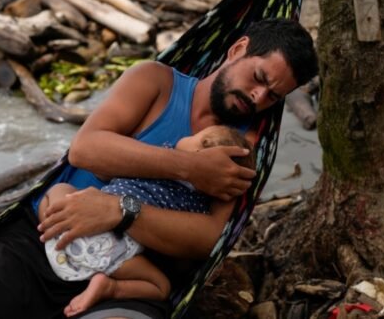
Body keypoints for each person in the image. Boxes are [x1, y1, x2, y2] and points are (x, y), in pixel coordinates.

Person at [0, 19, 318, 319]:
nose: (258, 96)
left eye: (274, 96)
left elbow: (205, 239)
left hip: (127, 274)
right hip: (44, 238)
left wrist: (120, 211)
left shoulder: (244, 146)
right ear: (238, 50)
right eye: (259, 78)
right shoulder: (156, 82)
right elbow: (85, 149)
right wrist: (189, 167)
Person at [39, 125, 255, 317]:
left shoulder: (157, 159)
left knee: (59, 190)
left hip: (77, 222)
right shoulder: (198, 204)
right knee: (160, 286)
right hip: (117, 252)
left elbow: (104, 173)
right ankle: (110, 287)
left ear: (203, 143)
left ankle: (51, 225)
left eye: (196, 134)